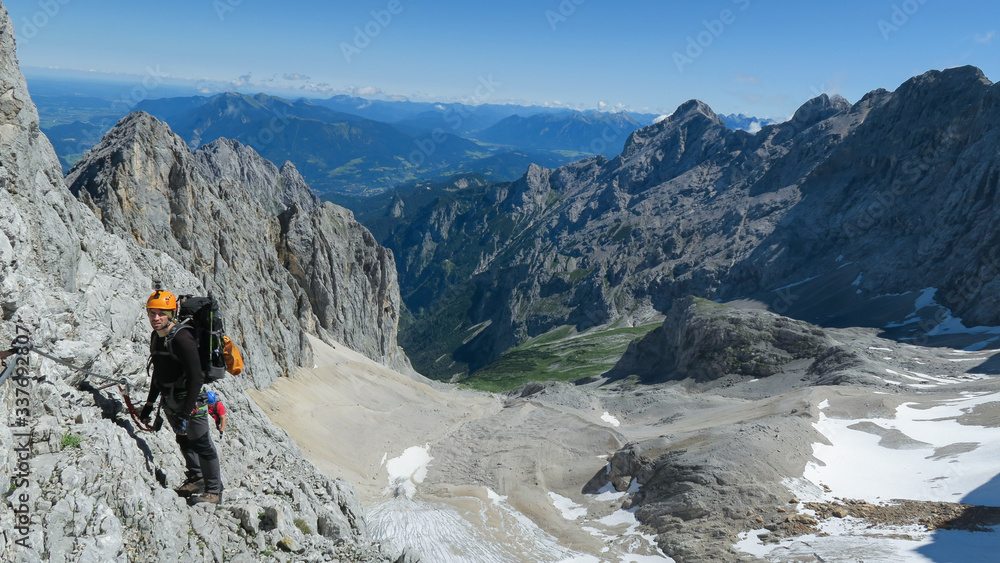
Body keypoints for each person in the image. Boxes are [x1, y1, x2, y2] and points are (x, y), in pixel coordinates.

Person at [139, 288, 224, 505]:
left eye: (161, 313)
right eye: (152, 313)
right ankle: (196, 478)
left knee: (201, 442)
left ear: (171, 314)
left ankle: (214, 491)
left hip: (190, 400)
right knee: (183, 439)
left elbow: (197, 377)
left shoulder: (182, 338)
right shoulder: (156, 336)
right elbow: (158, 370)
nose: (156, 318)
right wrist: (150, 403)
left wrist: (186, 412)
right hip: (170, 398)